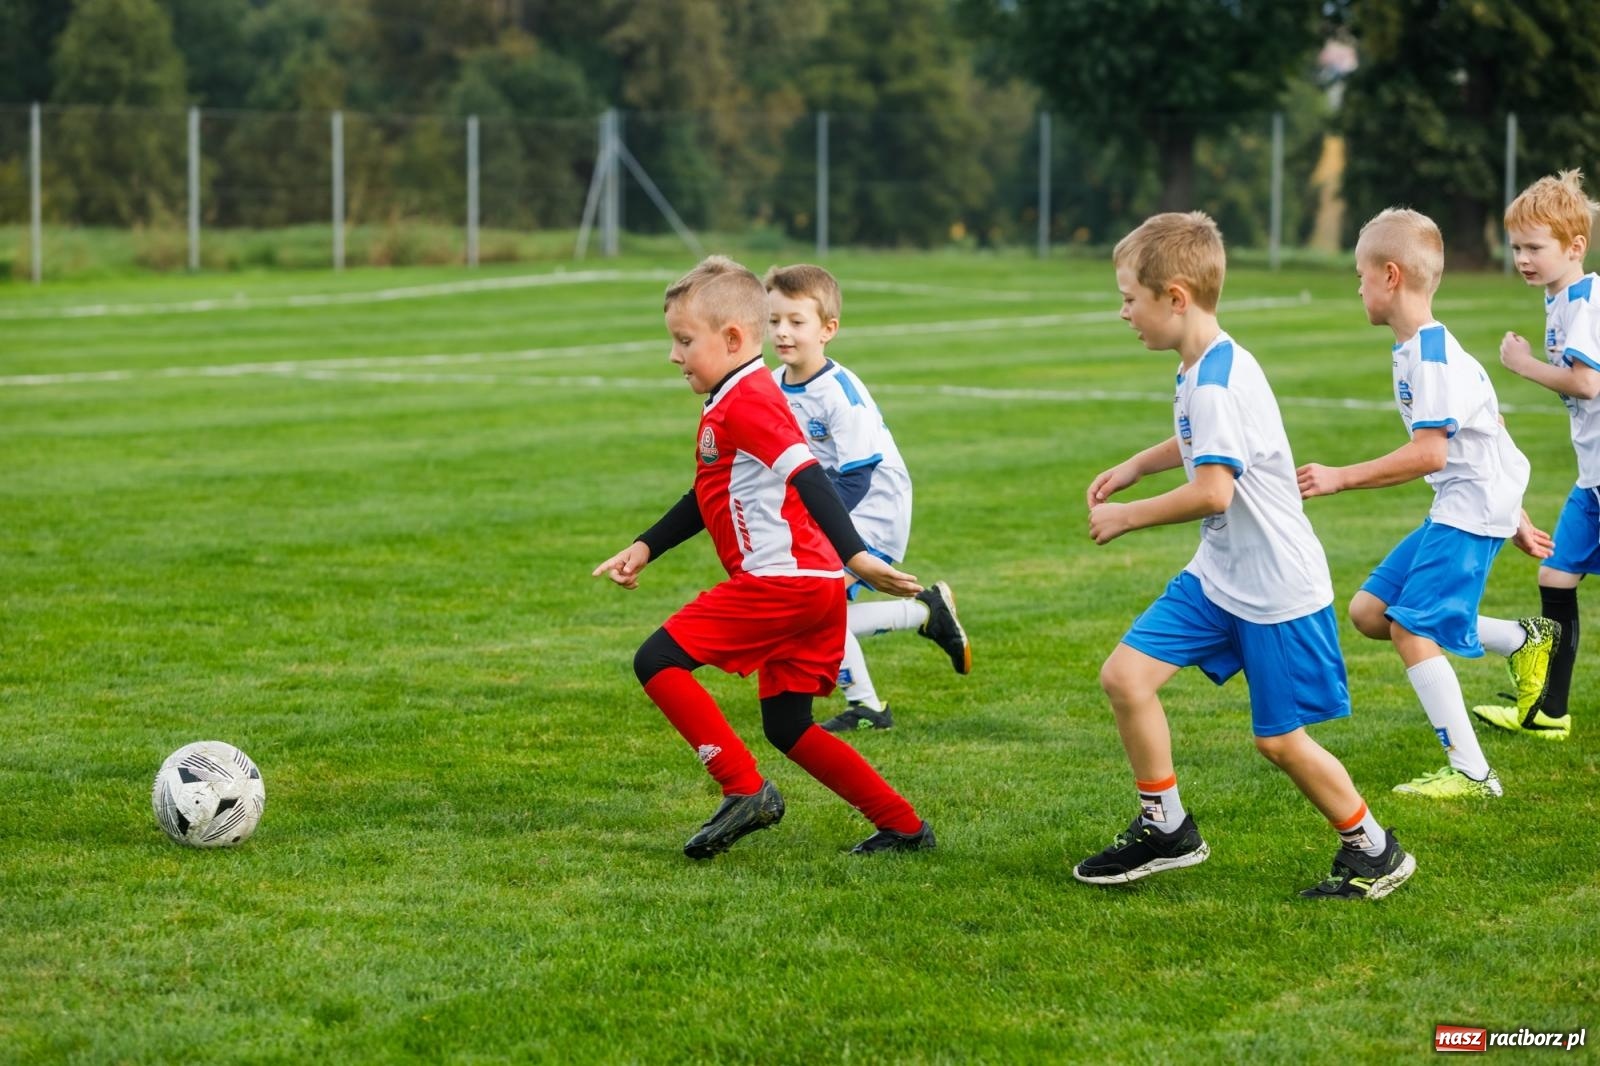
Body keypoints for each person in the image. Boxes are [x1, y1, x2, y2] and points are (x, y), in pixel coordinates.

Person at [1074, 211, 1414, 900]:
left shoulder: (1217, 379)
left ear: (1175, 297)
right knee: (1126, 678)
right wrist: (1139, 464)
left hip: (1275, 590)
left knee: (1280, 744)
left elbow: (1213, 490)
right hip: (1219, 576)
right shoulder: (1204, 363)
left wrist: (1128, 516)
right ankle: (1166, 827)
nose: (1122, 313)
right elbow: (1198, 437)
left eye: (1129, 298)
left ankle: (1374, 850)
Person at [592, 254, 936, 858]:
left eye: (683, 340)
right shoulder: (738, 394)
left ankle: (743, 789)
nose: (674, 355)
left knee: (658, 660)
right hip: (812, 585)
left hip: (783, 583)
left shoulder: (748, 400)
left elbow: (808, 474)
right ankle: (903, 826)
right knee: (787, 725)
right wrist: (647, 546)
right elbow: (708, 494)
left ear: (731, 338)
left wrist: (856, 554)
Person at [1297, 207, 1553, 800]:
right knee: (1369, 612)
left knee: (1413, 630)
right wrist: (1516, 518)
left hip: (1466, 508)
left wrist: (1340, 476)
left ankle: (1472, 772)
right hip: (1469, 504)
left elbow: (1431, 454)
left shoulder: (1432, 357)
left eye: (1360, 276)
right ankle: (1522, 639)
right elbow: (1491, 435)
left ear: (1390, 276)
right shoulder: (1416, 348)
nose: (1356, 287)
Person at [763, 263, 971, 733]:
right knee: (809, 611)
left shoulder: (839, 393)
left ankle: (921, 611)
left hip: (874, 506)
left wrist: (804, 524)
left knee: (808, 606)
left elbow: (857, 476)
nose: (782, 332)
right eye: (774, 320)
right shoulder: (774, 385)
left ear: (828, 329)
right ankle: (869, 708)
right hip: (829, 506)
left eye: (797, 322)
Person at [1471, 170, 1600, 742]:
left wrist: (1522, 366)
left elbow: (1587, 384)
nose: (1522, 257)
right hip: (1592, 478)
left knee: (1557, 575)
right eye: (1516, 246)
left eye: (1534, 247)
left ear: (1575, 247)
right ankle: (1550, 710)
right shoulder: (1559, 299)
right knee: (1555, 575)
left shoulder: (1586, 302)